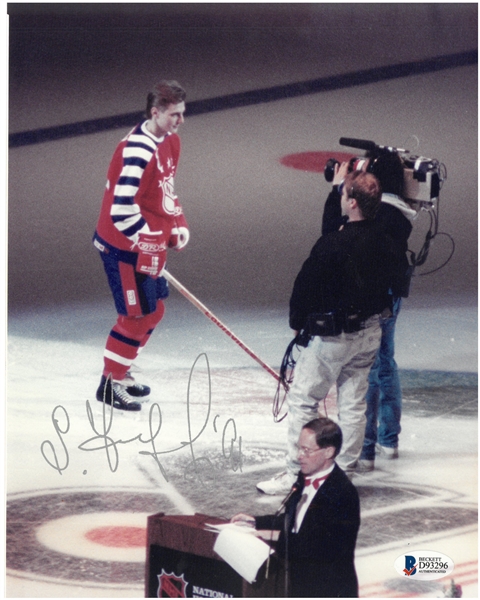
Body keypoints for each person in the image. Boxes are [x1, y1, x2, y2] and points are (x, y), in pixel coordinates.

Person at [257, 170, 403, 493]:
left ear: (351, 202)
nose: (339, 196)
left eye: (342, 192)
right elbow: (398, 282)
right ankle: (343, 473)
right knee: (353, 404)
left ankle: (297, 473)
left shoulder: (334, 244)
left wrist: (298, 322)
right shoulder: (386, 238)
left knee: (303, 400)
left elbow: (305, 284)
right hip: (369, 333)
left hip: (333, 338)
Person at [93, 80, 189, 411]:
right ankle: (109, 383)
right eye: (174, 114)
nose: (180, 121)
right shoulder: (137, 150)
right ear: (155, 112)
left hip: (146, 246)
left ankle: (119, 372)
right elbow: (121, 210)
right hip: (122, 248)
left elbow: (166, 190)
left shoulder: (171, 142)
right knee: (135, 317)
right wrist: (149, 243)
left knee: (155, 310)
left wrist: (177, 223)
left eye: (182, 113)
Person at [322, 152, 415, 470]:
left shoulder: (377, 212)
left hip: (374, 295)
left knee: (371, 369)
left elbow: (332, 235)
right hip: (392, 294)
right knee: (385, 363)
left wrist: (338, 189)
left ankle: (367, 446)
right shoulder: (401, 212)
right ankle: (388, 440)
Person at [233, 418, 360, 597]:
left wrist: (269, 536)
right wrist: (256, 521)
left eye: (307, 450)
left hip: (328, 590)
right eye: (299, 448)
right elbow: (295, 521)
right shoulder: (304, 476)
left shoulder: (342, 493)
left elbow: (316, 547)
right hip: (300, 584)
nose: (299, 455)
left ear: (328, 452)